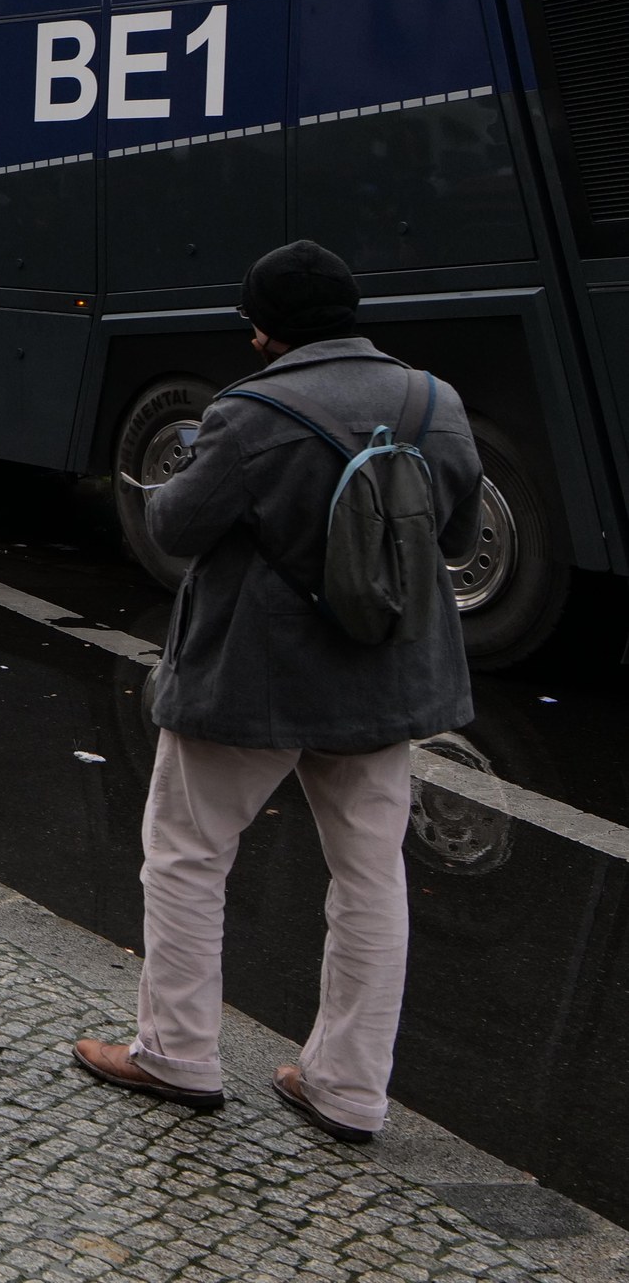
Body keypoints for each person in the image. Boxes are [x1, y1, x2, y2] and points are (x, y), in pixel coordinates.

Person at [74, 240, 480, 1143]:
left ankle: (177, 1054)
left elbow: (176, 526)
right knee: (370, 877)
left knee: (188, 854)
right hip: (382, 678)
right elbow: (453, 536)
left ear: (264, 329)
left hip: (252, 679)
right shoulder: (433, 402)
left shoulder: (249, 410)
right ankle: (348, 1089)